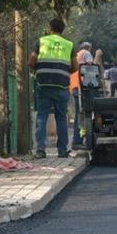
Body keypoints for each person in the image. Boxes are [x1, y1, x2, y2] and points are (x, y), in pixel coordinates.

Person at [28, 19, 78, 159]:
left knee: (42, 116)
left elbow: (32, 61)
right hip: (61, 85)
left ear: (49, 28)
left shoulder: (41, 41)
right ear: (62, 30)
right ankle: (62, 151)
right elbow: (75, 66)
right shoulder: (69, 45)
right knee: (61, 117)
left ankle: (40, 150)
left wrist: (36, 72)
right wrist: (65, 73)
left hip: (43, 85)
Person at [69, 42, 93, 149]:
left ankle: (77, 140)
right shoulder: (86, 53)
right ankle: (78, 141)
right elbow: (90, 67)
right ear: (89, 48)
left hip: (74, 86)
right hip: (82, 86)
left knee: (78, 114)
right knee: (83, 114)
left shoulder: (77, 54)